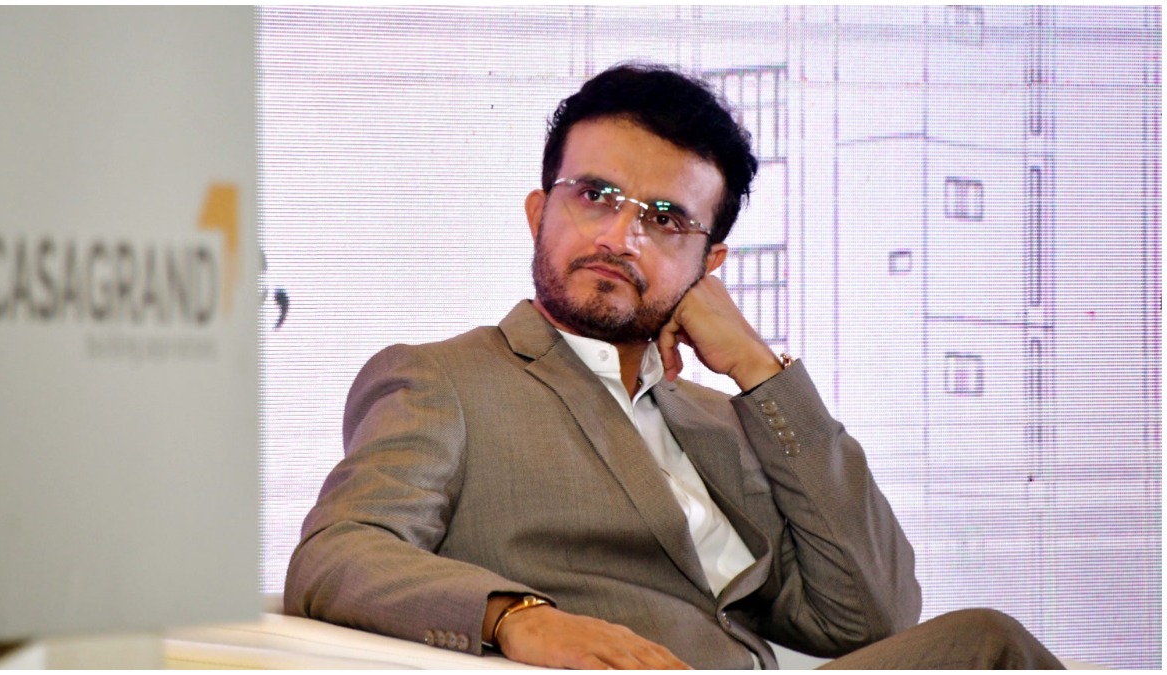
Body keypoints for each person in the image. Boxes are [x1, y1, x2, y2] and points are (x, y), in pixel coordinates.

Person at [284, 63, 1064, 670]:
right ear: (539, 212)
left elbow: (873, 618)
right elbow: (338, 551)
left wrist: (757, 368)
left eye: (665, 219)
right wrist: (520, 617)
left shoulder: (725, 420)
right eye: (595, 195)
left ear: (708, 264)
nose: (620, 237)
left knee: (980, 646)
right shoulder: (445, 381)